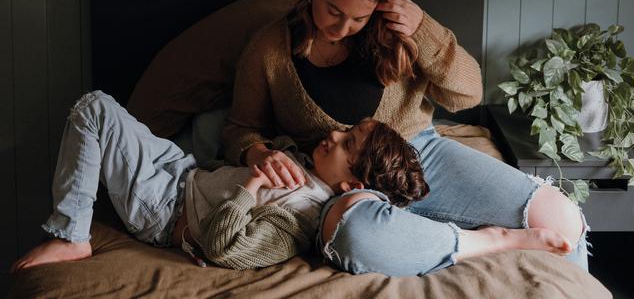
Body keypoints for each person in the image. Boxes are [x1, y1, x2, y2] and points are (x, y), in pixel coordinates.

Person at [221, 0, 589, 276]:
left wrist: (422, 29)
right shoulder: (269, 48)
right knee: (359, 234)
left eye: (359, 17)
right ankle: (484, 242)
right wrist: (256, 152)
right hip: (338, 180)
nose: (344, 26)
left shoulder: (399, 33)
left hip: (422, 156)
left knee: (563, 219)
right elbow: (240, 127)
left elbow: (468, 95)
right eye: (333, 10)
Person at [11, 91, 431, 272]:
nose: (335, 134)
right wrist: (265, 151)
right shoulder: (309, 167)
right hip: (183, 171)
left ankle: (71, 234)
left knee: (94, 108)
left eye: (348, 143)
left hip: (165, 208)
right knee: (204, 118)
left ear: (351, 186)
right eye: (347, 130)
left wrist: (251, 186)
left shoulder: (300, 218)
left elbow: (224, 246)